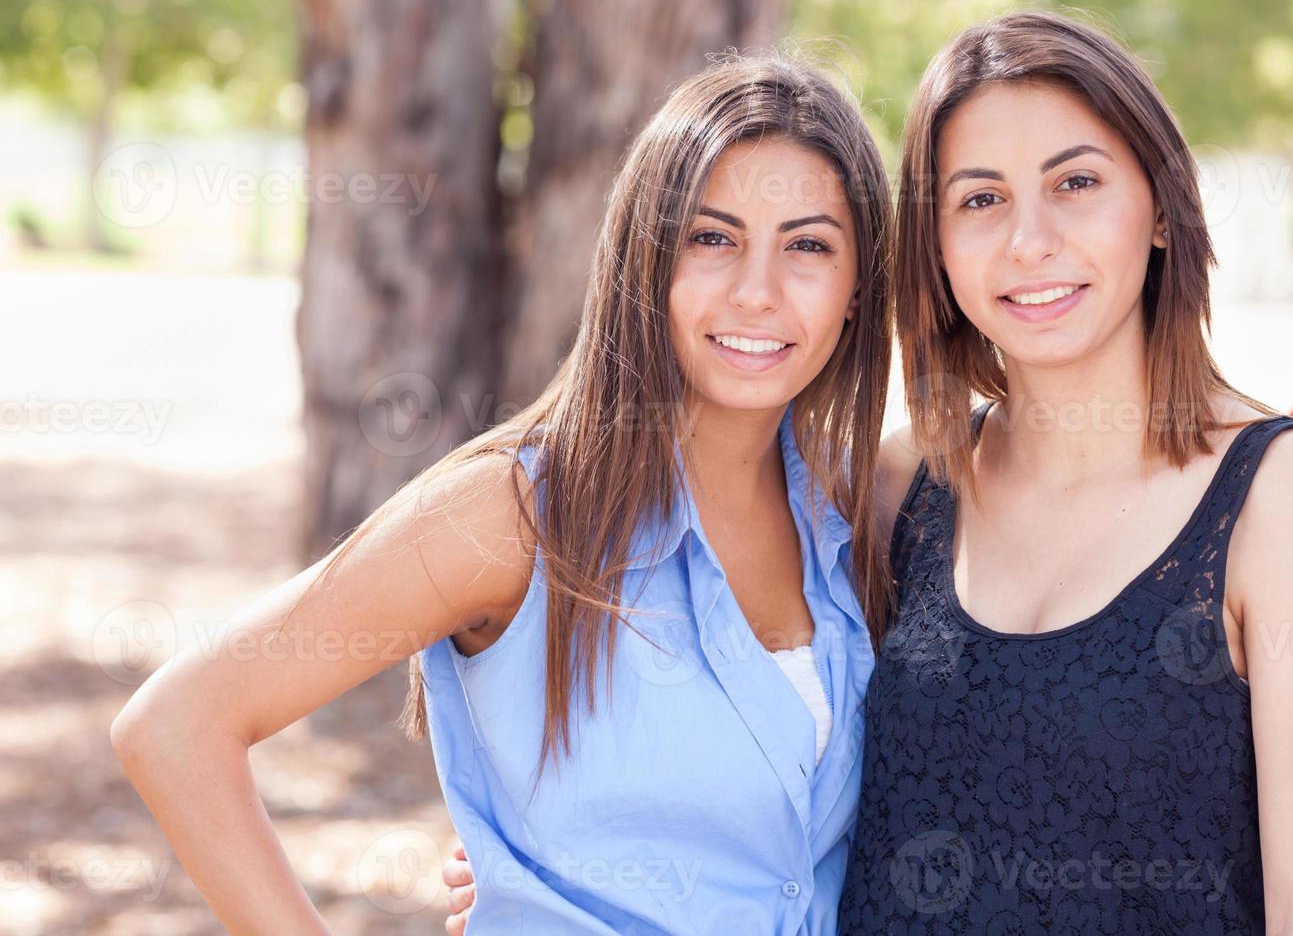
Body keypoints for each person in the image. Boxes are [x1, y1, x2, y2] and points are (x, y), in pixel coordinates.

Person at [110, 53, 896, 934]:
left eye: (808, 246)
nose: (757, 292)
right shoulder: (510, 515)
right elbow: (177, 726)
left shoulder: (858, 514)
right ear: (646, 259)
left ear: (859, 289)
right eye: (710, 238)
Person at [838, 10, 1293, 934]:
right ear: (935, 251)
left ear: (1165, 211)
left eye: (1076, 182)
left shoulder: (1281, 504)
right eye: (980, 199)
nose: (1029, 240)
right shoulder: (910, 484)